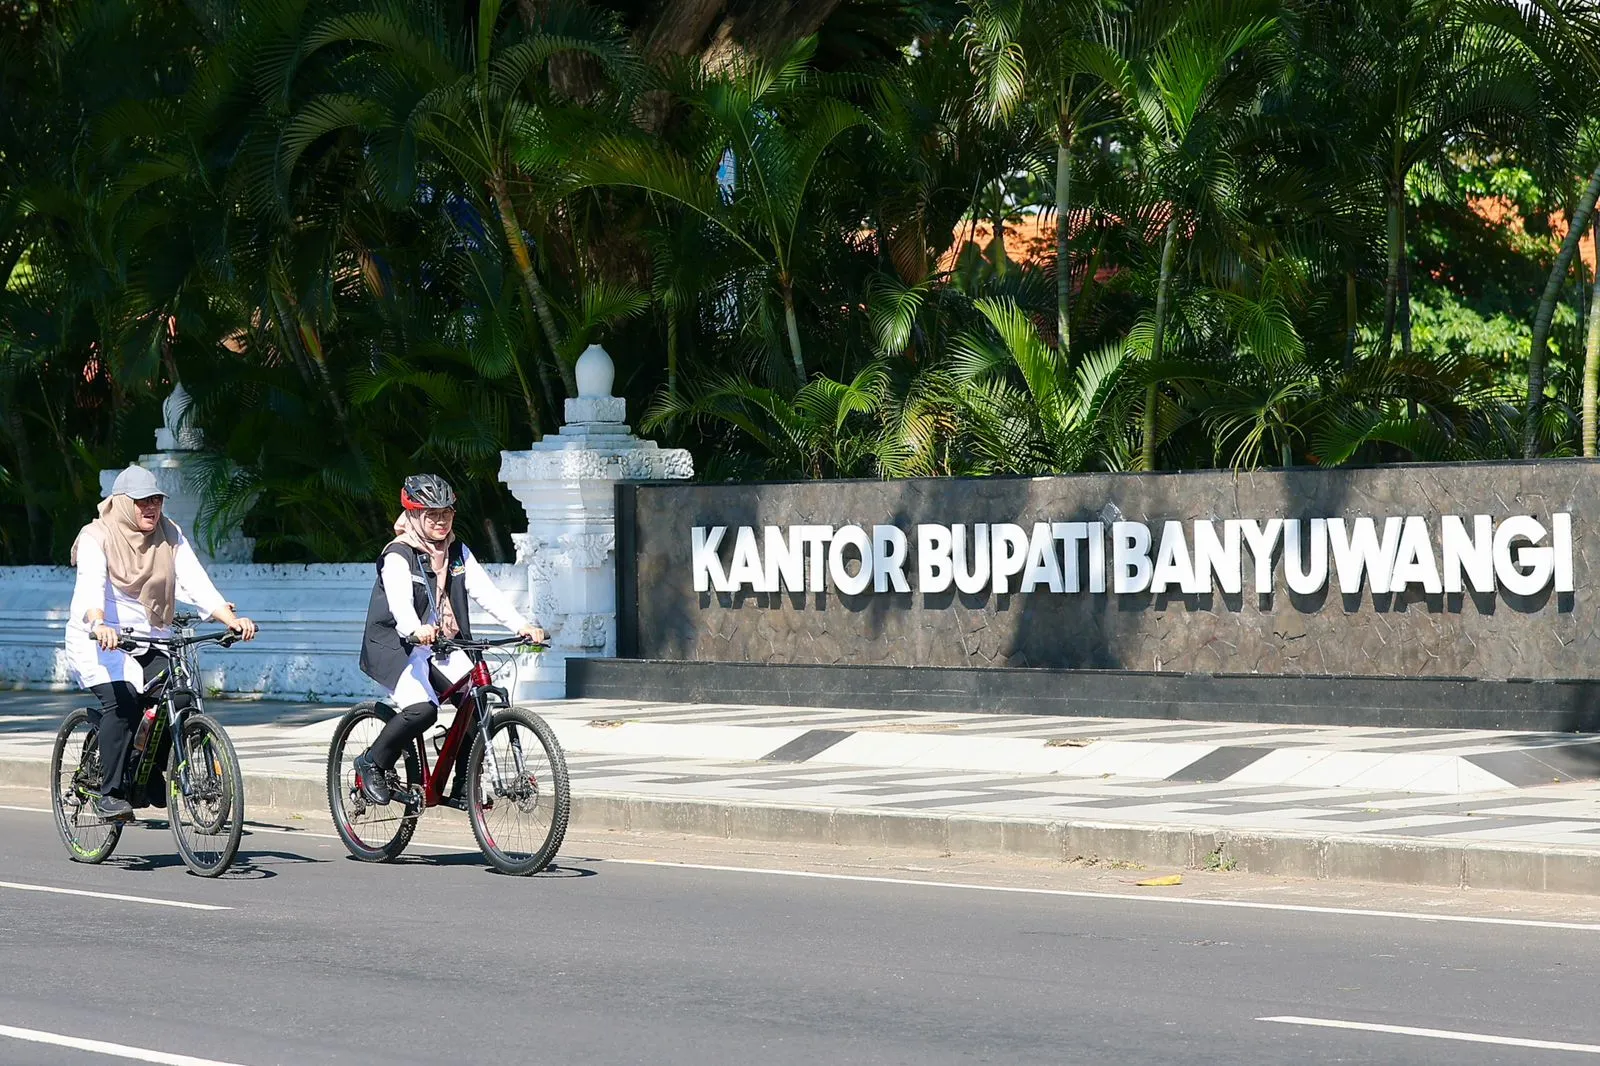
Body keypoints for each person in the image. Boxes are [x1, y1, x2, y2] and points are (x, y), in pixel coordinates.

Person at [67, 466, 258, 819]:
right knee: (123, 702)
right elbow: (91, 584)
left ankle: (151, 769)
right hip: (101, 639)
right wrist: (99, 623)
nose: (151, 508)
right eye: (142, 502)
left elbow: (195, 580)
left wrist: (232, 620)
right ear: (124, 503)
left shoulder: (169, 534)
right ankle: (109, 793)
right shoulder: (98, 536)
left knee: (178, 697)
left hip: (150, 636)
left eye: (156, 500)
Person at [355, 474, 544, 804]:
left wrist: (522, 625)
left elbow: (487, 593)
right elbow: (400, 606)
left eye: (446, 513)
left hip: (441, 643)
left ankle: (463, 783)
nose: (441, 521)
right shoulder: (399, 555)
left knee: (478, 702)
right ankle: (372, 762)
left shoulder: (456, 551)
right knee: (422, 710)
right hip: (397, 644)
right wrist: (416, 629)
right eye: (432, 514)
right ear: (414, 515)